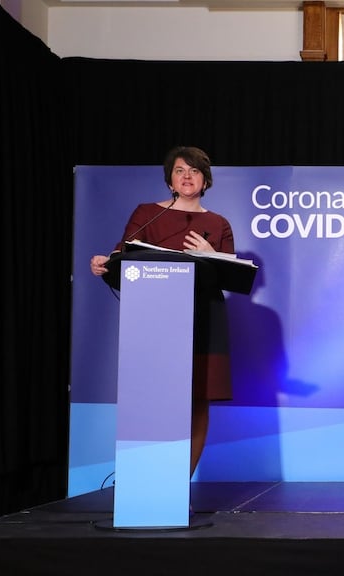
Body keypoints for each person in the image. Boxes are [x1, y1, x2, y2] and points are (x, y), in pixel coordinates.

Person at [90, 145, 235, 477]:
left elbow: (231, 275)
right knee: (154, 398)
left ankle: (179, 486)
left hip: (204, 319)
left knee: (197, 399)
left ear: (206, 180)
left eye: (195, 171)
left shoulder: (218, 223)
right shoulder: (147, 214)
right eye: (179, 171)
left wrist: (211, 254)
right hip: (155, 320)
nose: (187, 177)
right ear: (170, 181)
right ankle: (149, 480)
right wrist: (104, 263)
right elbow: (123, 256)